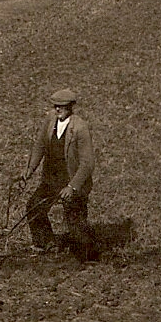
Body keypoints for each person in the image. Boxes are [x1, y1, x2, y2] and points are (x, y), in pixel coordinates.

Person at [16, 87, 97, 262]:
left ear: (71, 107)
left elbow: (87, 163)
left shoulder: (80, 128)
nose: (58, 109)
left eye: (62, 106)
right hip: (51, 177)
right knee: (34, 207)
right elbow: (40, 145)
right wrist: (30, 169)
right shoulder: (50, 120)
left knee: (74, 220)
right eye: (56, 106)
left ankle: (88, 257)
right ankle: (45, 243)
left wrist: (72, 187)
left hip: (71, 179)